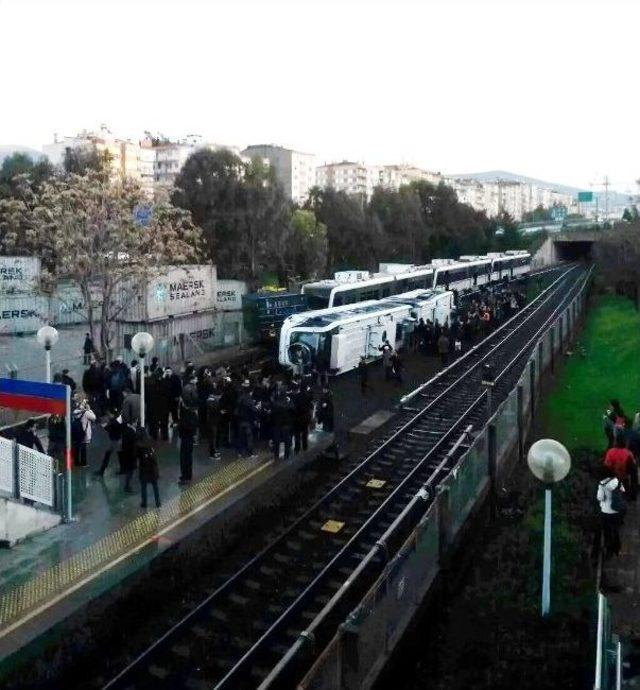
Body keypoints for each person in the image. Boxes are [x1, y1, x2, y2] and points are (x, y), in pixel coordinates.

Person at [597, 466, 625, 558]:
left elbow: (600, 497)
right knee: (615, 529)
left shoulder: (602, 484)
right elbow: (623, 491)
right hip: (618, 510)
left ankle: (609, 551)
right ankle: (617, 549)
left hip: (606, 511)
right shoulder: (617, 481)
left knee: (607, 531)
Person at [137, 428, 160, 509]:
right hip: (153, 468)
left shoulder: (139, 445)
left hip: (144, 468)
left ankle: (144, 503)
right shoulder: (151, 441)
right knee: (155, 486)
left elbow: (135, 456)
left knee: (144, 486)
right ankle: (158, 502)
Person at [95, 411, 123, 477]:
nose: (107, 416)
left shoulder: (115, 422)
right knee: (114, 455)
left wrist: (104, 426)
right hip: (115, 441)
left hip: (116, 441)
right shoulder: (115, 421)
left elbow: (110, 429)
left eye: (109, 414)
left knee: (113, 456)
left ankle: (102, 471)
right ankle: (102, 470)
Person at [71, 396, 96, 467]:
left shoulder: (75, 412)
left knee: (76, 446)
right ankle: (83, 463)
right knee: (83, 447)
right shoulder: (86, 413)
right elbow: (94, 417)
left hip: (77, 431)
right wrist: (89, 409)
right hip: (84, 432)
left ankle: (76, 462)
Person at [236, 381, 258, 458]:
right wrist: (257, 407)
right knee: (249, 437)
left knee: (241, 437)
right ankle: (250, 453)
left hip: (240, 420)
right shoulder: (249, 398)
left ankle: (240, 452)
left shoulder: (240, 396)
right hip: (247, 421)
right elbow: (253, 410)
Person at [177, 402, 198, 483]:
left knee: (184, 458)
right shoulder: (193, 415)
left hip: (185, 438)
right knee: (188, 457)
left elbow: (183, 426)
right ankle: (188, 475)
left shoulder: (185, 416)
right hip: (189, 438)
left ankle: (185, 476)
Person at [272, 389, 294, 461]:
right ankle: (286, 455)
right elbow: (293, 409)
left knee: (276, 442)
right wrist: (290, 400)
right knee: (286, 441)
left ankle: (276, 456)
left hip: (277, 425)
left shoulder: (275, 403)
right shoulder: (288, 404)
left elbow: (272, 413)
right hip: (286, 425)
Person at [293, 380, 313, 453]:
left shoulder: (296, 397)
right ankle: (305, 446)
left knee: (297, 434)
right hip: (305, 417)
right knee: (305, 432)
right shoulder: (307, 396)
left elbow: (294, 407)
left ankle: (297, 448)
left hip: (298, 417)